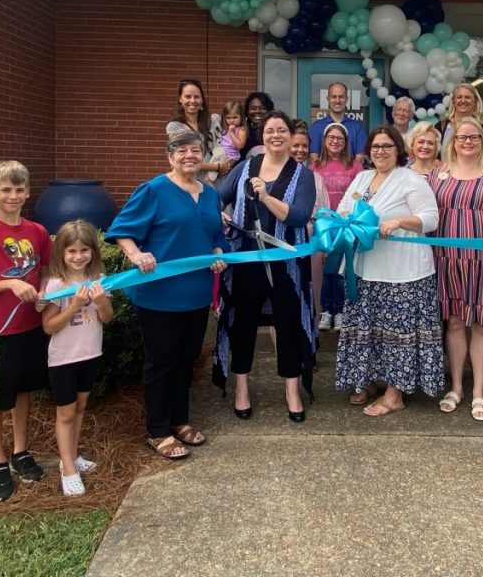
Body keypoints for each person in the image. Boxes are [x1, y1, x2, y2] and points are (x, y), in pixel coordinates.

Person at [107, 130, 228, 460]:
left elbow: (216, 235)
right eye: (181, 150)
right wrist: (136, 256)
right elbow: (122, 230)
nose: (189, 155)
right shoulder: (154, 190)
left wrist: (218, 251)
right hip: (159, 296)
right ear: (169, 156)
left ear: (203, 155)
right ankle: (158, 431)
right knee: (161, 362)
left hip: (197, 294)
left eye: (195, 149)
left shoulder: (209, 194)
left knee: (186, 359)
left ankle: (180, 420)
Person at [335, 125, 441, 416]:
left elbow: (430, 218)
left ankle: (395, 395)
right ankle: (368, 380)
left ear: (399, 150)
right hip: (366, 269)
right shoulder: (362, 177)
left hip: (403, 272)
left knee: (398, 334)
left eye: (387, 146)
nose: (380, 151)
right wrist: (342, 221)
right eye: (375, 146)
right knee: (367, 330)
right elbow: (345, 208)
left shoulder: (410, 179)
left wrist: (399, 222)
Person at [217, 110, 316, 422]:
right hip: (247, 260)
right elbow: (217, 198)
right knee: (243, 323)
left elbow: (299, 216)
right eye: (270, 130)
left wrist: (266, 197)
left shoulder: (303, 174)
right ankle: (241, 388)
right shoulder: (244, 167)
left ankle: (291, 389)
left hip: (287, 262)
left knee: (287, 323)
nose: (276, 135)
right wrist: (217, 214)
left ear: (290, 136)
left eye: (282, 130)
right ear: (262, 137)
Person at [0, 160, 52, 503]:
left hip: (32, 325)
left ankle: (20, 450)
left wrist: (44, 292)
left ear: (28, 192)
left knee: (22, 390)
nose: (13, 196)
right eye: (6, 189)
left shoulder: (37, 232)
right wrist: (12, 284)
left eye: (19, 189)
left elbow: (45, 272)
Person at [430, 117, 483, 421]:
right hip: (446, 259)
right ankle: (457, 387)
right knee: (453, 323)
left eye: (473, 137)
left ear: (482, 141)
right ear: (453, 141)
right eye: (461, 137)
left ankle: (478, 392)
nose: (467, 142)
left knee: (482, 324)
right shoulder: (438, 175)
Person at [41, 220, 113, 497]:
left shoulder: (99, 281)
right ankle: (68, 468)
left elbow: (106, 318)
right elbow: (48, 326)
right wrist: (73, 305)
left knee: (80, 407)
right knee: (66, 412)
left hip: (91, 353)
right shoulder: (56, 285)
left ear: (93, 252)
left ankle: (71, 455)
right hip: (63, 359)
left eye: (84, 250)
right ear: (61, 252)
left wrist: (102, 301)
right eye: (71, 251)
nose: (78, 256)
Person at [310, 122, 363, 331]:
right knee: (325, 269)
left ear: (346, 142)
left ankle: (340, 311)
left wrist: (351, 216)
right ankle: (325, 310)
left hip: (345, 225)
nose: (335, 141)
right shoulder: (315, 167)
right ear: (324, 141)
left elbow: (359, 195)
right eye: (331, 137)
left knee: (341, 269)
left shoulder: (355, 167)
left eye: (339, 138)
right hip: (324, 225)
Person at [290, 123, 329, 332]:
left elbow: (324, 214)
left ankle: (311, 345)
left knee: (313, 294)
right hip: (285, 243)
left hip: (312, 242)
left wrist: (323, 248)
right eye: (295, 145)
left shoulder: (316, 178)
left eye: (304, 146)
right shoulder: (277, 177)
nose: (300, 150)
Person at [166, 78, 230, 180]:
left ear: (202, 100)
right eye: (188, 96)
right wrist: (218, 167)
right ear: (180, 99)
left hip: (216, 181)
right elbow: (185, 159)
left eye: (196, 97)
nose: (192, 101)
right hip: (189, 181)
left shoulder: (212, 122)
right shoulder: (175, 126)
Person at [308, 82, 367, 166]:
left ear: (346, 99)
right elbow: (314, 157)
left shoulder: (357, 128)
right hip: (323, 177)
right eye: (333, 97)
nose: (337, 100)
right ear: (328, 99)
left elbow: (360, 159)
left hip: (351, 178)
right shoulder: (316, 127)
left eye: (341, 97)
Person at [437, 83, 483, 162]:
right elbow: (433, 152)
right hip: (445, 173)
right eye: (459, 97)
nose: (463, 100)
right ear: (453, 101)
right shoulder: (442, 126)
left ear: (475, 101)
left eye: (467, 97)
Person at [208, 100, 247, 182]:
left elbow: (240, 145)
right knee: (217, 178)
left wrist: (232, 133)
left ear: (241, 117)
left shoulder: (241, 130)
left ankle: (214, 193)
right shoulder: (225, 127)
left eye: (235, 117)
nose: (231, 120)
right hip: (221, 152)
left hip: (229, 155)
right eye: (228, 118)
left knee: (208, 178)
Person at [242, 91, 274, 157]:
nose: (257, 111)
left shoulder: (274, 132)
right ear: (247, 111)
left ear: (269, 110)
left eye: (262, 108)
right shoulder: (242, 131)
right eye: (253, 108)